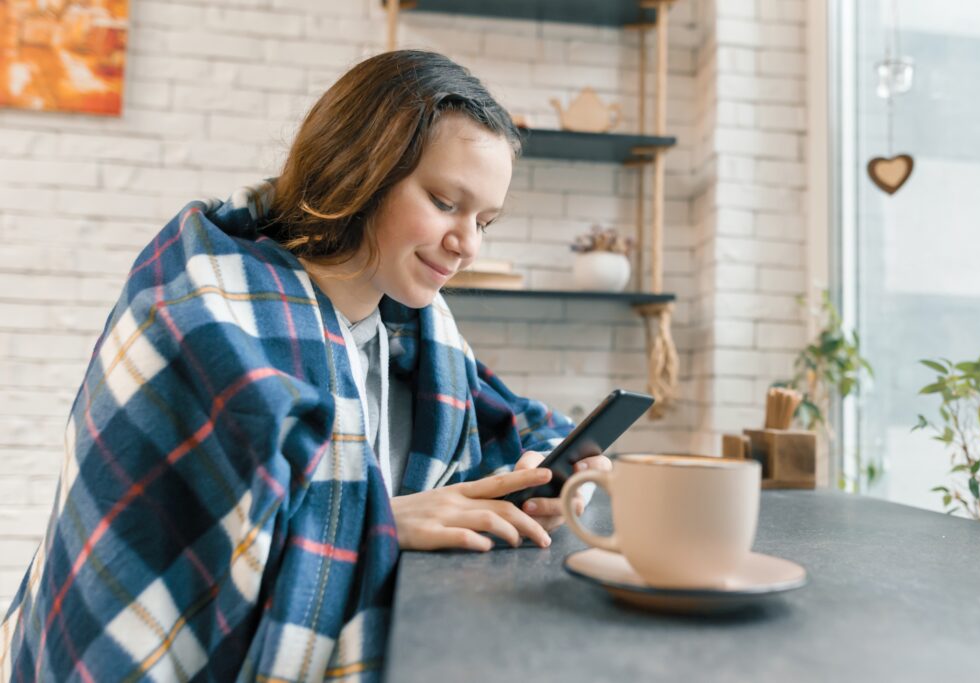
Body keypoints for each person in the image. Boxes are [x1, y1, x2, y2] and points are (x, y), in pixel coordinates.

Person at [0, 50, 611, 681]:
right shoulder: (202, 306)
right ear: (362, 170)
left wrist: (541, 472)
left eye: (484, 220)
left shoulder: (422, 336)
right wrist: (380, 521)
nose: (468, 245)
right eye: (443, 202)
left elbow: (514, 425)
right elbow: (190, 532)